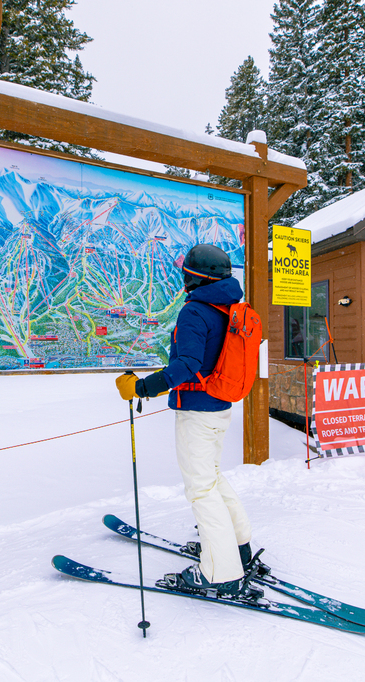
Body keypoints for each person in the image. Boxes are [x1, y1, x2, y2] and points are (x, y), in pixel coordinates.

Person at [116, 244, 263, 600]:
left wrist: (141, 387)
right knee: (212, 478)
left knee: (200, 489)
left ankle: (221, 573)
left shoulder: (195, 311)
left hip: (197, 411)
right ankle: (238, 547)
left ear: (193, 277)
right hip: (219, 406)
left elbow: (187, 365)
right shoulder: (228, 307)